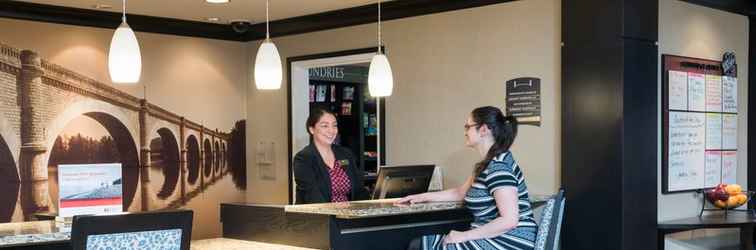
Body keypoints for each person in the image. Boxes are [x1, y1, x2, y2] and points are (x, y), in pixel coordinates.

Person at [398, 106, 536, 250]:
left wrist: (463, 236)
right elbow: (459, 193)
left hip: (510, 240)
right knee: (418, 244)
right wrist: (421, 197)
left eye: (467, 127)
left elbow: (509, 221)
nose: (465, 132)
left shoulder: (498, 167)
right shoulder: (486, 165)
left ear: (483, 130)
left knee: (425, 246)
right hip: (498, 237)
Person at [293, 108, 368, 204]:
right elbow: (312, 196)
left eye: (334, 126)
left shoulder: (346, 154)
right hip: (318, 217)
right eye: (325, 126)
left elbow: (359, 190)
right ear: (311, 129)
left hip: (348, 216)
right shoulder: (303, 158)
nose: (331, 131)